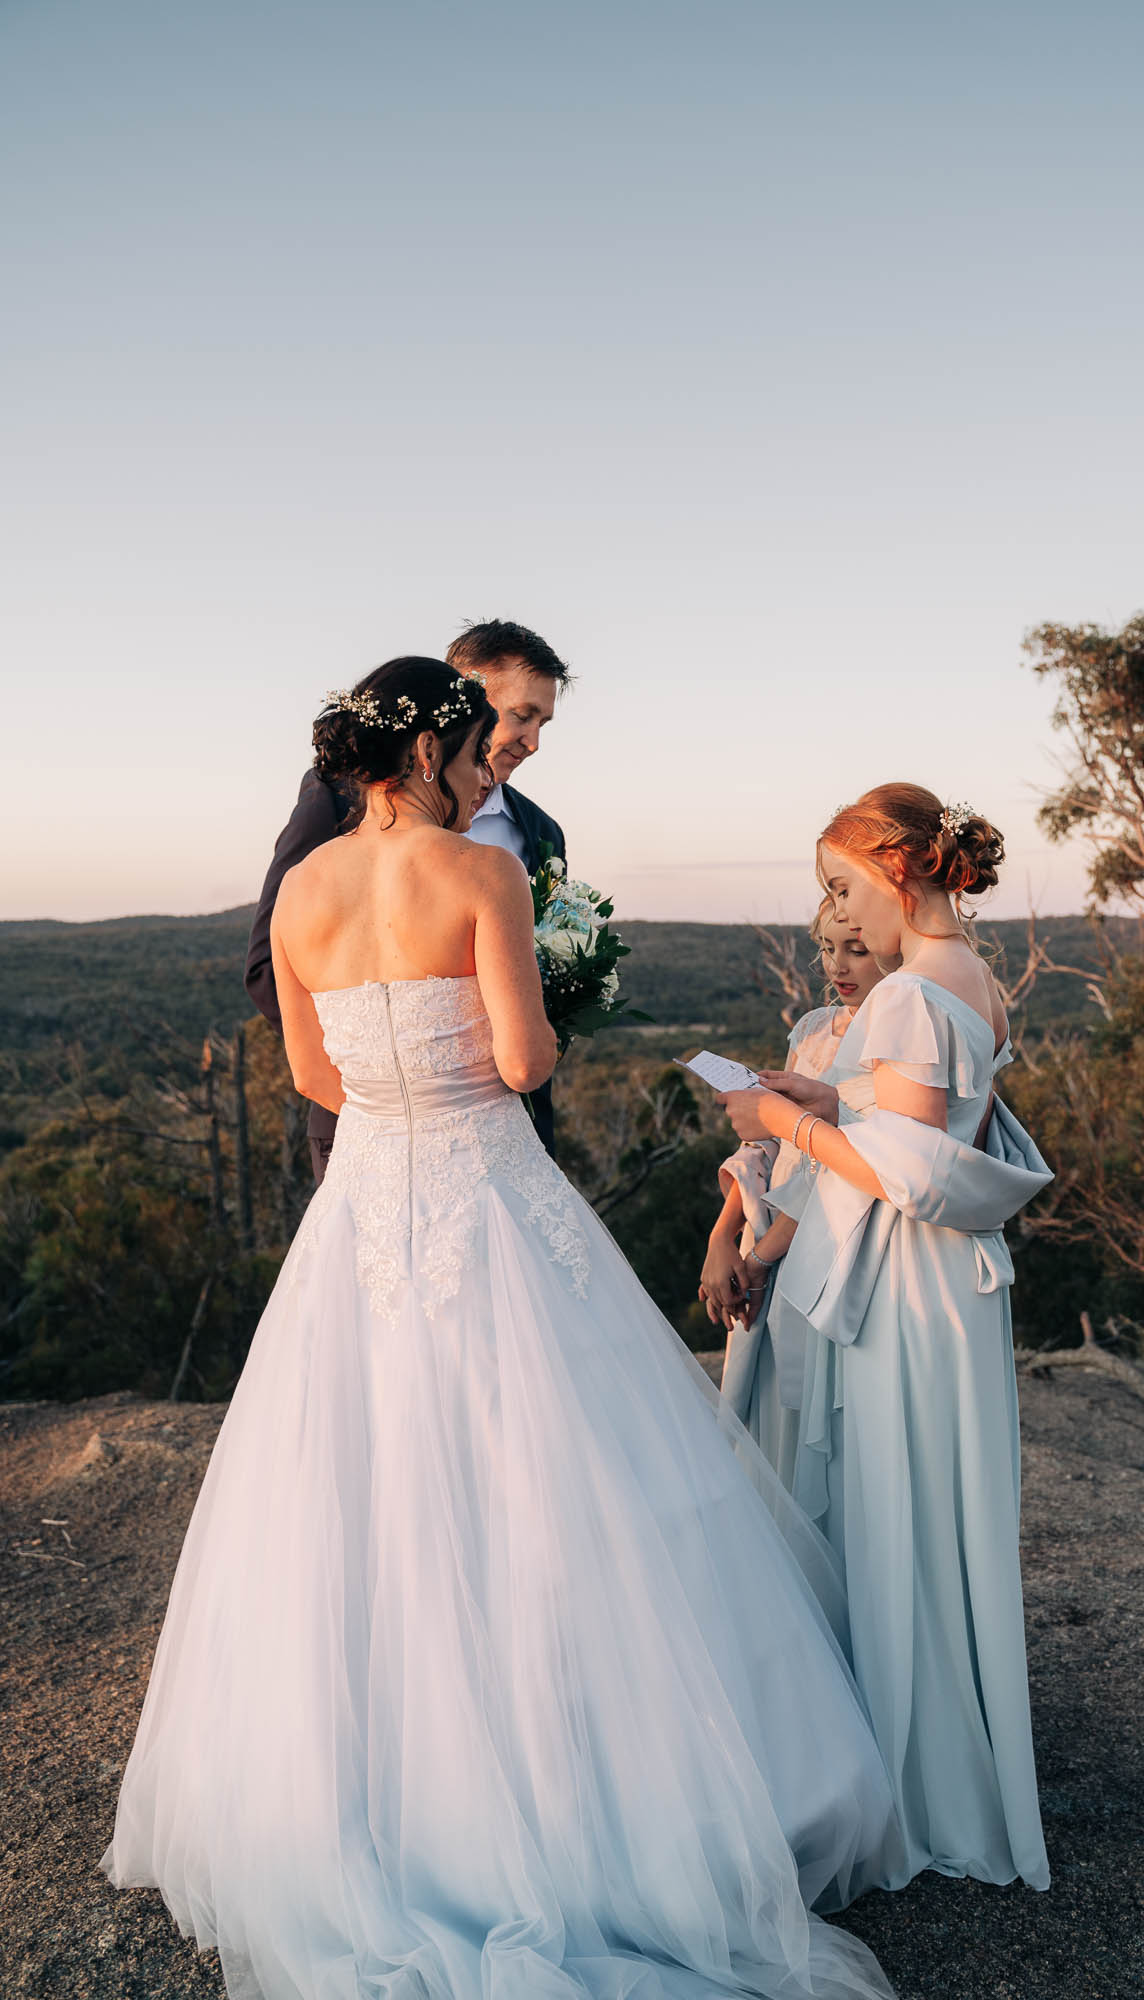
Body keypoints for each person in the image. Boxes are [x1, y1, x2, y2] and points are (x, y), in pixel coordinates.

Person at [102, 658, 900, 2000]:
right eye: (474, 745)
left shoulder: (300, 890)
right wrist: (527, 998)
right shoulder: (482, 877)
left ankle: (363, 1804)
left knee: (354, 1487)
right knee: (556, 1470)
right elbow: (527, 1063)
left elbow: (308, 1073)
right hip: (482, 1182)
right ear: (421, 745)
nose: (487, 767)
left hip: (364, 1201)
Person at [717, 782, 1052, 1893]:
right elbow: (916, 1122)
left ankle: (902, 1782)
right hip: (952, 1290)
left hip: (906, 1285)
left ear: (900, 873)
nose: (838, 912)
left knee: (895, 1511)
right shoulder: (975, 982)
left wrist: (783, 1122)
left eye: (842, 885)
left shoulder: (911, 991)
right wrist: (823, 1087)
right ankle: (927, 1753)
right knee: (928, 1519)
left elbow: (904, 1172)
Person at [244, 621, 569, 1172]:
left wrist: (392, 1122)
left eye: (544, 721)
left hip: (415, 1149)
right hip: (392, 1140)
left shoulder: (539, 832)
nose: (532, 741)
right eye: (520, 715)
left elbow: (307, 1073)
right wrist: (406, 1102)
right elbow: (264, 974)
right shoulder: (490, 869)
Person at [700, 899, 887, 1488]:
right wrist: (723, 1236)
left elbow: (841, 1174)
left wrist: (760, 1259)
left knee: (824, 1438)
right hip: (768, 1240)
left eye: (856, 949)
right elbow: (771, 1149)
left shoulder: (892, 1042)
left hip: (829, 1251)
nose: (839, 965)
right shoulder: (810, 1028)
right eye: (829, 949)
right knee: (767, 1422)